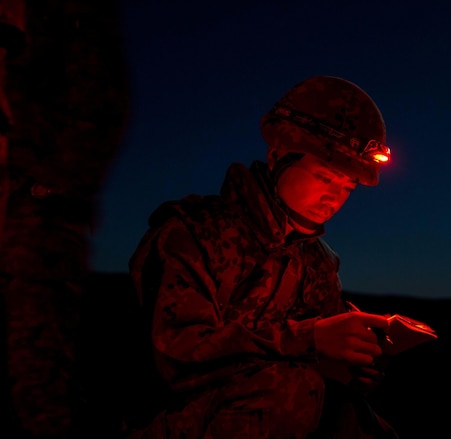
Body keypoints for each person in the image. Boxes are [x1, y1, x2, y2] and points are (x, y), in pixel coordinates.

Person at [126, 75, 399, 438]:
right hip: (175, 420)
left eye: (347, 187)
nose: (334, 198)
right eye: (325, 177)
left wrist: (359, 365)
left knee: (358, 419)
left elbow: (324, 362)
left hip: (273, 415)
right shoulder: (193, 234)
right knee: (288, 393)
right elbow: (177, 357)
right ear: (278, 156)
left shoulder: (318, 262)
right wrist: (310, 339)